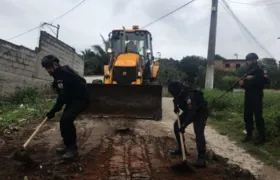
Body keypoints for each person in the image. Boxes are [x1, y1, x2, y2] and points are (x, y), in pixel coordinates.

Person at [41, 55, 90, 160]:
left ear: (55, 65)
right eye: (46, 68)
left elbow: (62, 97)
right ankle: (68, 146)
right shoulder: (58, 76)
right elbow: (62, 95)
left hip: (80, 99)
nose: (48, 70)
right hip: (72, 100)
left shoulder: (65, 74)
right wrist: (53, 111)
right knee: (63, 121)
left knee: (67, 120)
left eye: (48, 67)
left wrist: (53, 111)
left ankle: (72, 150)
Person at [168, 81, 208, 167]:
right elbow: (175, 99)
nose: (174, 95)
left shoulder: (189, 95)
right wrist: (175, 107)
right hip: (189, 111)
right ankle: (181, 149)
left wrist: (184, 125)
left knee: (198, 132)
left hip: (200, 112)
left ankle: (201, 158)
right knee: (176, 126)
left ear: (180, 90)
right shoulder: (178, 93)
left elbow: (192, 113)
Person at [239, 53, 266, 145]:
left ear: (254, 60)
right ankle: (249, 134)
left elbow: (260, 83)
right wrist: (243, 83)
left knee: (258, 117)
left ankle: (262, 137)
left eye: (249, 60)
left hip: (257, 96)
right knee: (247, 116)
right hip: (248, 95)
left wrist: (247, 81)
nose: (248, 62)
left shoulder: (259, 70)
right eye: (247, 60)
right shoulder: (249, 69)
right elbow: (246, 83)